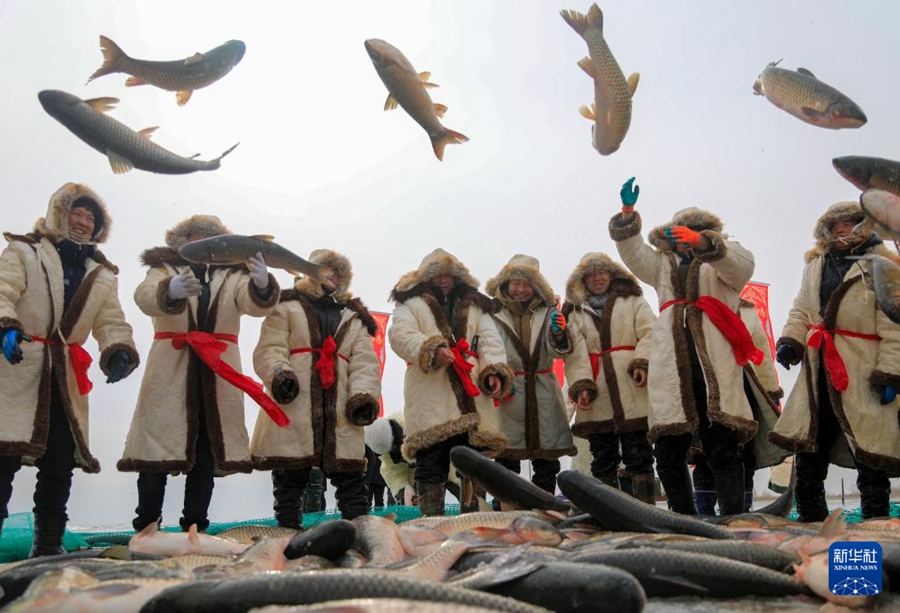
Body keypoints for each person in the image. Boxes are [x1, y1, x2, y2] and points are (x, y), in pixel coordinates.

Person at [609, 177, 763, 515]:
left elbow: (743, 264)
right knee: (667, 449)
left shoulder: (721, 262)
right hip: (672, 369)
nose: (684, 240)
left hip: (715, 369)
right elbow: (633, 254)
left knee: (722, 447)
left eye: (691, 233)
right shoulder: (661, 266)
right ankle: (683, 516)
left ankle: (734, 517)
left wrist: (704, 242)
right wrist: (627, 213)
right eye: (679, 234)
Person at [0, 183, 138, 556]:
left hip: (64, 374)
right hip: (18, 366)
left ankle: (46, 545)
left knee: (59, 463)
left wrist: (117, 349)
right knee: (2, 456)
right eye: (76, 213)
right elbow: (2, 290)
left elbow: (111, 319)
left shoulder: (103, 273)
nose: (82, 222)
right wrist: (5, 326)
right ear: (59, 214)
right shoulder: (23, 251)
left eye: (91, 218)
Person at [118, 215, 280, 533]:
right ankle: (146, 525)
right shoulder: (163, 267)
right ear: (183, 239)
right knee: (155, 451)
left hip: (217, 370)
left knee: (207, 451)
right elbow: (144, 297)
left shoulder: (235, 274)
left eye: (209, 236)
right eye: (195, 235)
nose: (201, 240)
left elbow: (254, 305)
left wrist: (262, 285)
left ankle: (195, 526)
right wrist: (170, 290)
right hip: (171, 368)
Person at [769, 201, 900, 520]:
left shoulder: (883, 265)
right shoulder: (815, 266)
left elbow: (894, 322)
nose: (842, 232)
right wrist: (790, 340)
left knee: (870, 451)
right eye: (836, 227)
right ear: (826, 231)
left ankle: (875, 520)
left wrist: (891, 372)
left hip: (863, 367)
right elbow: (801, 309)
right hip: (818, 368)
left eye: (850, 225)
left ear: (864, 227)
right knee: (811, 445)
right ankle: (811, 519)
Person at [252, 249, 381, 527]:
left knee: (351, 481)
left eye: (337, 273)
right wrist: (280, 375)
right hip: (294, 400)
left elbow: (365, 363)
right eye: (325, 270)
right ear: (311, 271)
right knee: (289, 480)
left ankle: (361, 536)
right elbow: (270, 347)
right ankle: (288, 535)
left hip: (342, 406)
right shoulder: (285, 304)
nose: (331, 277)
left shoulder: (355, 317)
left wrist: (363, 396)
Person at [388, 248, 512, 516]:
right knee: (431, 459)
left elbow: (490, 340)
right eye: (437, 275)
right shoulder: (409, 304)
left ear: (457, 277)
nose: (443, 280)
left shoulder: (477, 305)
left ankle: (475, 517)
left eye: (449, 275)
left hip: (471, 387)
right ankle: (432, 521)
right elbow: (399, 334)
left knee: (475, 459)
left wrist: (493, 370)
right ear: (426, 277)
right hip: (430, 389)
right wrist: (431, 349)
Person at [559, 251, 657, 504]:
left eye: (602, 272)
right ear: (583, 280)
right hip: (597, 389)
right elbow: (576, 354)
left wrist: (642, 362)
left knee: (639, 453)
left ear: (612, 274)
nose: (597, 277)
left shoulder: (633, 300)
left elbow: (650, 332)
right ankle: (610, 511)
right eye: (591, 274)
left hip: (633, 386)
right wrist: (582, 385)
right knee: (602, 456)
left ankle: (645, 510)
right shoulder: (576, 312)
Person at [486, 254, 574, 500]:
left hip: (542, 391)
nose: (521, 289)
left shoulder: (548, 311)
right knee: (506, 459)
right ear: (506, 283)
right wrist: (497, 376)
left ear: (536, 285)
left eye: (527, 284)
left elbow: (558, 351)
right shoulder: (491, 313)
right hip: (507, 392)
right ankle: (505, 508)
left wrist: (559, 334)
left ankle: (543, 505)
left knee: (546, 460)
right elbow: (486, 348)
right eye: (516, 283)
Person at [692, 298, 787, 514]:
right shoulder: (693, 307)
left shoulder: (747, 312)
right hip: (705, 386)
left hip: (743, 386)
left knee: (745, 453)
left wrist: (770, 390)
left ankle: (741, 511)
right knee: (706, 452)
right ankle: (704, 511)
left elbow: (761, 353)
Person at [365, 413, 461, 506]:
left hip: (447, 459)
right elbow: (392, 471)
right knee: (421, 503)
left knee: (461, 488)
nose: (393, 451)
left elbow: (438, 455)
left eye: (393, 447)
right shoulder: (386, 450)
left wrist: (429, 485)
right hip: (416, 472)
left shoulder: (417, 427)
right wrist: (403, 490)